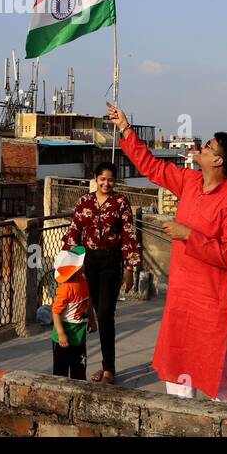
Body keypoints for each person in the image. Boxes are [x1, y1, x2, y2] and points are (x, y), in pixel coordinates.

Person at [106, 102, 227, 402]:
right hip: (182, 302)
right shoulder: (190, 182)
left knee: (219, 388)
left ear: (219, 160)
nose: (202, 146)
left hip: (214, 308)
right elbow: (151, 166)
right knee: (178, 382)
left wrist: (190, 236)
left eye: (209, 145)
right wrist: (124, 128)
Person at [62, 162, 141, 384]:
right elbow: (74, 233)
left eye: (111, 179)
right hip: (87, 262)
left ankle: (109, 369)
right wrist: (69, 265)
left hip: (110, 261)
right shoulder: (84, 201)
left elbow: (128, 235)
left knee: (106, 313)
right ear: (95, 178)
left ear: (115, 181)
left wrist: (129, 268)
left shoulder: (120, 202)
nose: (106, 183)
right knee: (88, 313)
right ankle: (81, 367)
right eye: (103, 179)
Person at [51, 246, 96, 381]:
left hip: (79, 334)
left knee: (79, 369)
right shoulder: (65, 289)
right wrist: (61, 333)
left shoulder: (83, 281)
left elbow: (88, 302)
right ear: (76, 268)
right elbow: (56, 312)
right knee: (60, 372)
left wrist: (92, 320)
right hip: (64, 336)